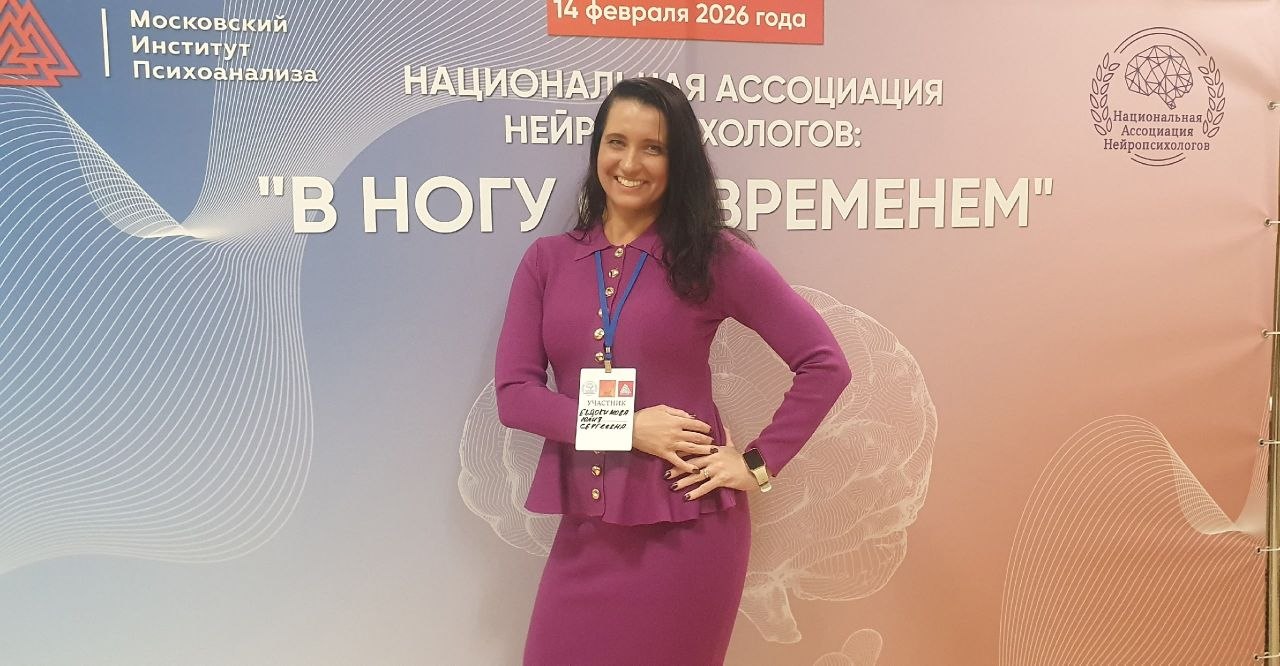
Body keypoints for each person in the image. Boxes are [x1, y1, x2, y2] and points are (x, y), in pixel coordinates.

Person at [495, 77, 851, 665]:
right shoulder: (547, 261)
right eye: (616, 142)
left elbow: (824, 364)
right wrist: (627, 427)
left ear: (677, 159)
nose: (629, 163)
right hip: (586, 532)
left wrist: (757, 464)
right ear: (597, 149)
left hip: (690, 531)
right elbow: (515, 396)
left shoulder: (712, 257)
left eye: (653, 148)